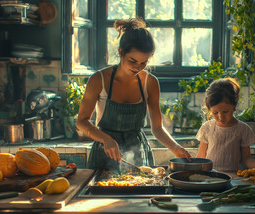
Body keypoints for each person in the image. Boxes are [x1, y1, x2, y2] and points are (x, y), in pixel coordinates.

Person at [76, 18, 191, 172]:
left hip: (137, 153)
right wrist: (106, 139)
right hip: (105, 152)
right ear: (121, 53)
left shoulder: (150, 83)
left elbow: (157, 128)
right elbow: (82, 122)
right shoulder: (99, 80)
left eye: (144, 62)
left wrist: (176, 148)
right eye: (133, 61)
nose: (138, 67)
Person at [196, 78, 255, 173]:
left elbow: (246, 159)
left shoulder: (243, 129)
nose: (220, 117)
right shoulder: (207, 128)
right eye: (215, 112)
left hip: (234, 179)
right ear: (209, 109)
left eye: (225, 112)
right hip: (210, 177)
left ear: (234, 106)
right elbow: (201, 157)